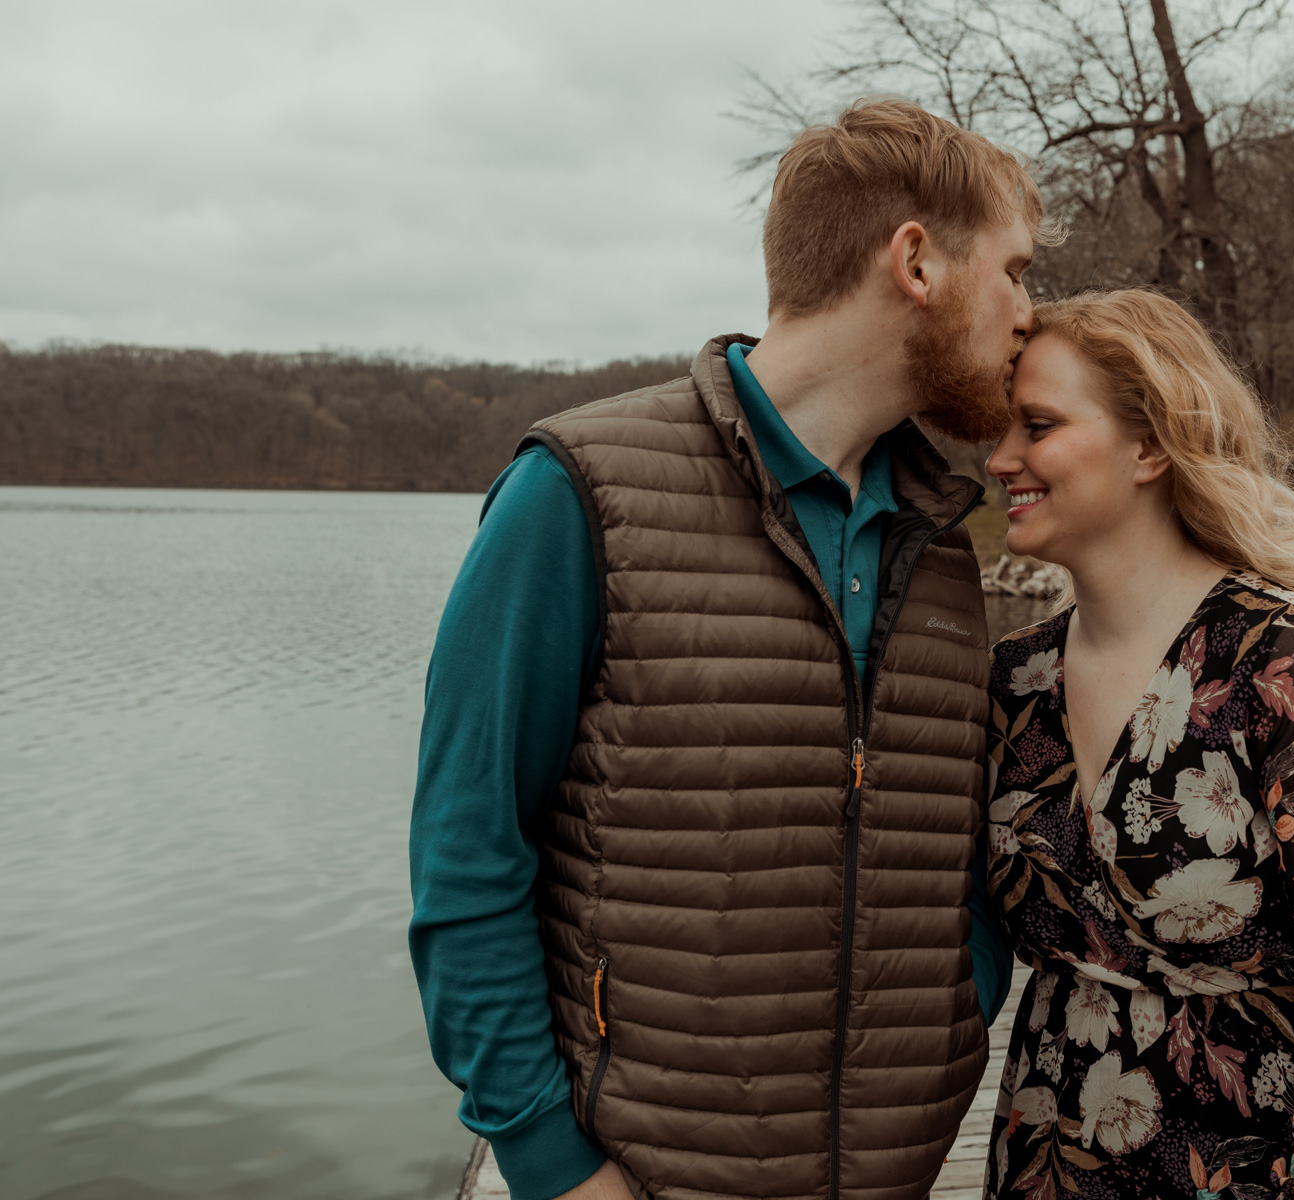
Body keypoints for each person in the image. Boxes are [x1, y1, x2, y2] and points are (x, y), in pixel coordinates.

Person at [408, 98, 1061, 1200]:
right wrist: (547, 1159)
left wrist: (955, 1013)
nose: (1028, 316)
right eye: (1014, 271)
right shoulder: (577, 495)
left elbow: (958, 851)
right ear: (917, 263)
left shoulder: (943, 542)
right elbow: (467, 854)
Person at [981, 290, 1294, 1199]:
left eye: (1038, 425)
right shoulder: (1016, 680)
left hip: (1248, 1168)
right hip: (1045, 1159)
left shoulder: (1292, 665)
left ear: (1150, 446)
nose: (999, 459)